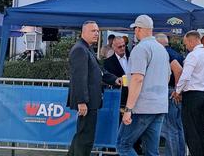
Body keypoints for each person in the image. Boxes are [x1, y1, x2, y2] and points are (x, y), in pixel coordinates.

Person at [117, 16, 170, 156]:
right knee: (151, 151)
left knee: (123, 145)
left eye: (135, 28)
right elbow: (167, 76)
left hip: (142, 106)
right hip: (160, 105)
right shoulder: (162, 49)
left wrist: (128, 109)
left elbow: (137, 79)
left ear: (138, 29)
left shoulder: (140, 49)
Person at [67, 21, 121, 156]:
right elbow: (79, 78)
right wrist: (81, 102)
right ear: (83, 32)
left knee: (83, 135)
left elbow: (99, 71)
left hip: (90, 101)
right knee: (85, 137)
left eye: (97, 31)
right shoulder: (80, 49)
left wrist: (115, 79)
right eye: (93, 31)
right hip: (87, 102)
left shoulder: (87, 48)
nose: (96, 33)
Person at [172, 31, 204, 156]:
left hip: (192, 95)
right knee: (201, 129)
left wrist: (177, 91)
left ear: (191, 41)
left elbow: (185, 76)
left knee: (191, 130)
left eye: (186, 44)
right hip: (203, 94)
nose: (186, 47)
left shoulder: (193, 55)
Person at [156, 33, 185, 156]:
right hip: (175, 92)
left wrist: (177, 90)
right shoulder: (175, 53)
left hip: (170, 92)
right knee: (178, 128)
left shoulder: (165, 53)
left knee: (169, 129)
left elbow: (178, 70)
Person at [104, 37, 130, 106]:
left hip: (131, 95)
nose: (122, 48)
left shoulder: (131, 58)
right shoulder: (108, 62)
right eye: (119, 47)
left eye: (124, 46)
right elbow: (107, 79)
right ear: (114, 47)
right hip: (117, 97)